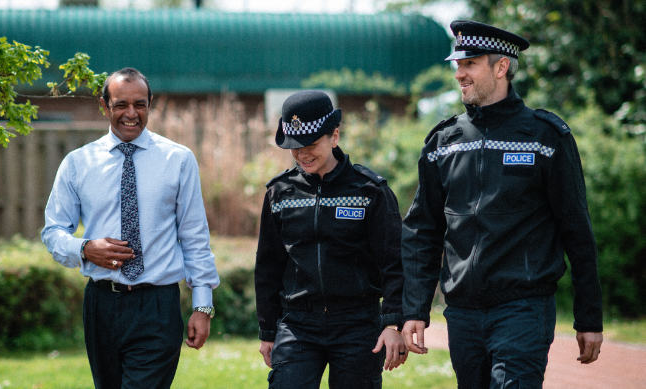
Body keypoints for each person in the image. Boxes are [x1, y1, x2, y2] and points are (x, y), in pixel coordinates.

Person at [400, 20, 604, 388]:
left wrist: (589, 317)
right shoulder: (443, 142)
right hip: (462, 313)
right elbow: (422, 229)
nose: (459, 74)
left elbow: (576, 228)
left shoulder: (546, 137)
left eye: (470, 64)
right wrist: (414, 308)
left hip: (523, 309)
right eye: (457, 65)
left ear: (501, 66)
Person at [41, 67, 219, 389]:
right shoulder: (78, 163)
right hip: (101, 306)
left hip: (157, 305)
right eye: (121, 104)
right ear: (104, 106)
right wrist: (85, 248)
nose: (131, 114)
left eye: (140, 104)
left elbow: (194, 236)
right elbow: (53, 232)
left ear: (151, 104)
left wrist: (202, 306)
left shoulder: (178, 160)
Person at [255, 90, 406, 389]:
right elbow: (268, 266)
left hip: (358, 325)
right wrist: (268, 331)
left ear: (334, 136)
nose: (302, 154)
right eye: (294, 148)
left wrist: (392, 323)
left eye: (310, 145)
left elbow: (395, 262)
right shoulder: (279, 193)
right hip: (298, 326)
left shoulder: (370, 192)